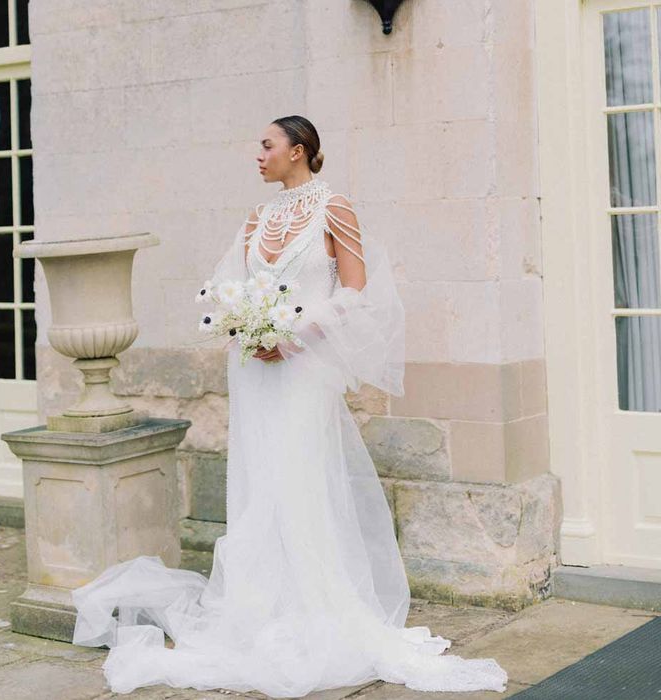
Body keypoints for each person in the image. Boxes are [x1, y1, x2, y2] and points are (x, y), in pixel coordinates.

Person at [70, 115, 509, 696]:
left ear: (297, 152)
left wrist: (294, 335)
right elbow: (230, 284)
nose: (259, 154)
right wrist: (242, 327)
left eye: (267, 145)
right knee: (260, 480)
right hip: (254, 369)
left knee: (300, 479)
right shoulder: (256, 218)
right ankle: (260, 610)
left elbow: (355, 288)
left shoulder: (335, 208)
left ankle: (317, 610)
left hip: (305, 370)